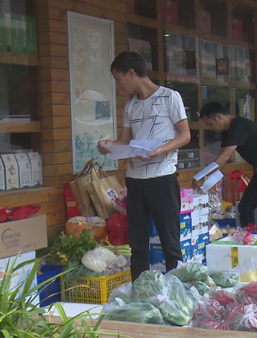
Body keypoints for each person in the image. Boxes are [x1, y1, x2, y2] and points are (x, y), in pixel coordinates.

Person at [98, 52, 191, 281]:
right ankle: (140, 292)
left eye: (119, 79)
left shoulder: (170, 97)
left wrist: (161, 149)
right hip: (135, 181)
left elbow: (185, 135)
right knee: (138, 245)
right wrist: (109, 145)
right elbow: (124, 141)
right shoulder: (130, 107)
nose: (119, 86)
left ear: (132, 73)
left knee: (170, 243)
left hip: (162, 179)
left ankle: (175, 293)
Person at [193, 102, 257, 234]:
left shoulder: (239, 125)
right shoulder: (227, 132)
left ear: (218, 117)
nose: (211, 128)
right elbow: (222, 161)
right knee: (245, 207)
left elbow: (224, 156)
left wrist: (202, 177)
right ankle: (248, 237)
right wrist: (205, 182)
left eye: (209, 124)